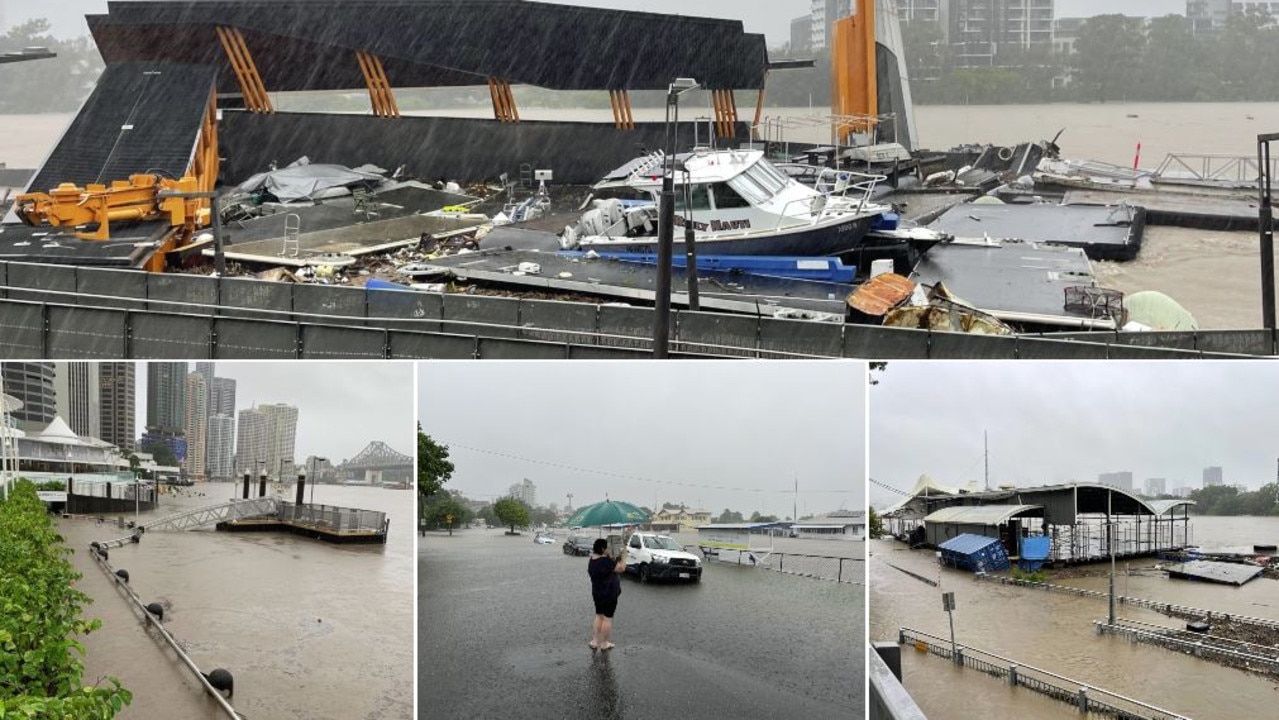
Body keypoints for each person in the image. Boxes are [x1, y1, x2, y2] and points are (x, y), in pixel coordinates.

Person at [587, 536, 627, 651]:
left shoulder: (592, 560)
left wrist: (611, 558)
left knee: (599, 615)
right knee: (607, 618)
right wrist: (624, 556)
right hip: (609, 592)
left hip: (597, 592)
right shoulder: (605, 561)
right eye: (607, 548)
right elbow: (621, 568)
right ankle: (604, 643)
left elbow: (605, 568)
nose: (609, 549)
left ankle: (594, 641)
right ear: (603, 549)